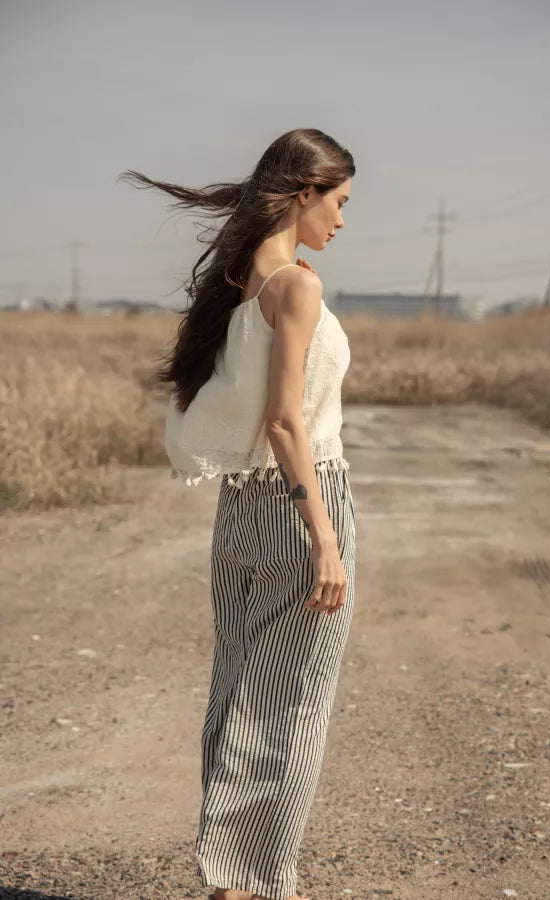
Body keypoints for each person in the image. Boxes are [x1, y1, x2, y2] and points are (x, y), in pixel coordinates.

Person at [118, 127, 356, 900]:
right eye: (339, 201)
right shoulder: (297, 288)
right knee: (291, 704)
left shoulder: (239, 281)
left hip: (239, 507)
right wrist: (324, 536)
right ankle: (254, 883)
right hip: (301, 499)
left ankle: (232, 879)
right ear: (303, 194)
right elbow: (285, 422)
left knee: (239, 688)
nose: (342, 220)